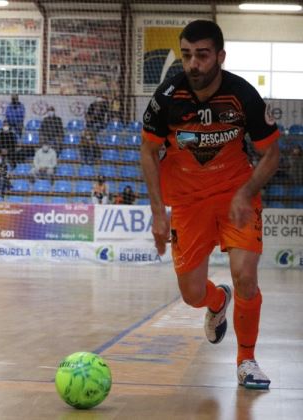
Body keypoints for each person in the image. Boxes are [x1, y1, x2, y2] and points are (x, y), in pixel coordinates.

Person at [140, 20, 279, 389]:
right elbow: (149, 151)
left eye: (202, 55)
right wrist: (157, 212)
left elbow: (270, 155)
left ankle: (246, 360)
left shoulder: (243, 95)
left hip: (237, 196)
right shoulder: (167, 97)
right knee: (192, 295)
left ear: (220, 56)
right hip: (186, 203)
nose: (193, 64)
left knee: (246, 276)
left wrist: (245, 191)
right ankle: (217, 301)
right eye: (187, 55)